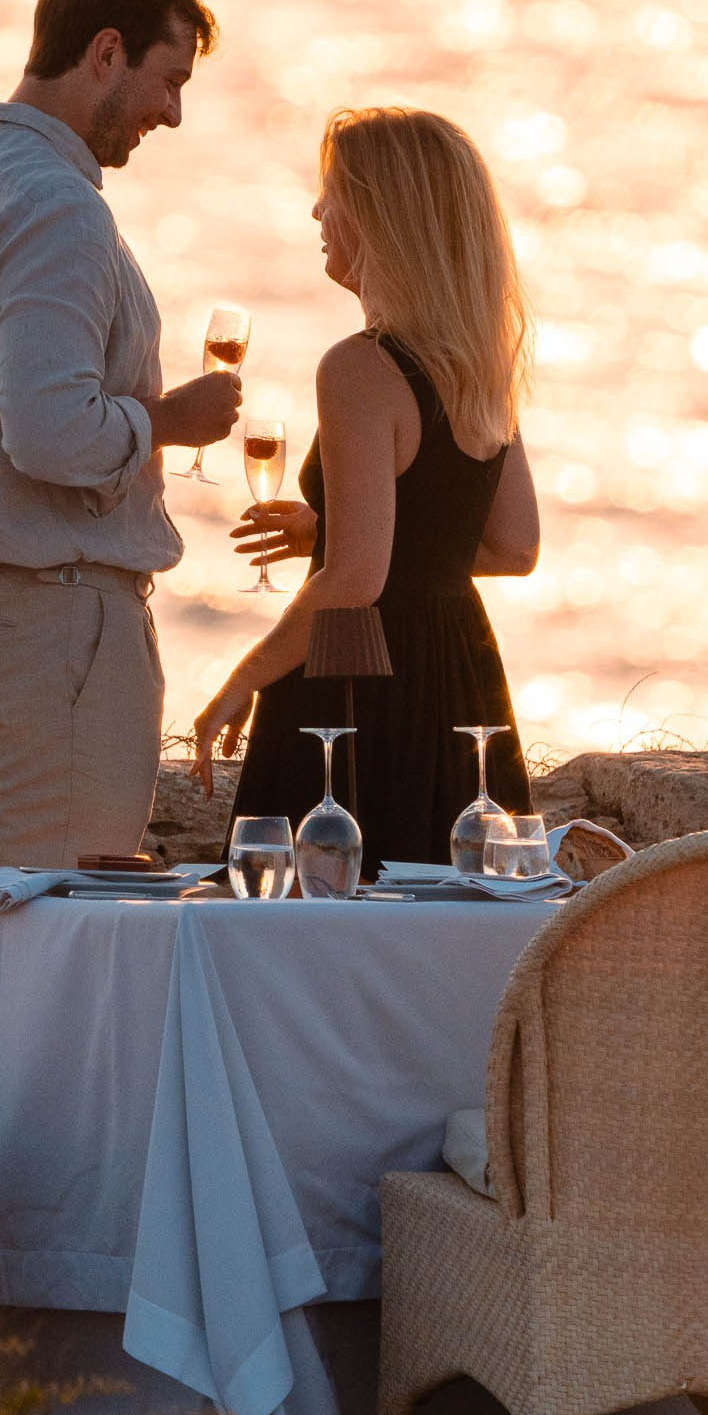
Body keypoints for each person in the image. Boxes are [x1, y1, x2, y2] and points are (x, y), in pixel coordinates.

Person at [0, 0, 240, 883]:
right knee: (56, 945)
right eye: (169, 80)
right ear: (106, 52)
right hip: (46, 634)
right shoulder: (58, 206)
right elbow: (48, 430)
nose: (171, 113)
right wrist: (170, 421)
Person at [192, 104, 541, 868]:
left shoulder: (358, 367)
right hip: (457, 674)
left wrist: (243, 677)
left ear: (383, 213)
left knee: (314, 930)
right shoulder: (478, 364)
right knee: (449, 919)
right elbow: (512, 548)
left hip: (360, 680)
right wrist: (337, 529)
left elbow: (356, 580)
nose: (318, 210)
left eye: (334, 192)